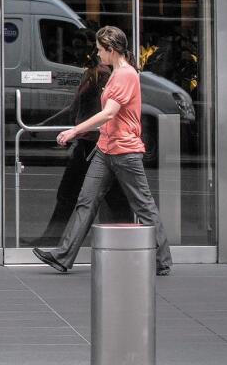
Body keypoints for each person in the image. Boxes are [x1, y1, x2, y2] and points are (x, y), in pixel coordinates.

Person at [33, 26, 173, 275]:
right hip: (105, 148)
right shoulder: (115, 73)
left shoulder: (125, 75)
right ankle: (63, 256)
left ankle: (162, 260)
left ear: (111, 50)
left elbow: (109, 113)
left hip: (125, 151)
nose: (97, 54)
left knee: (143, 205)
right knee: (85, 202)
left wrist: (74, 131)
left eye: (100, 50)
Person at [34, 59, 131, 246]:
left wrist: (75, 130)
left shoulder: (101, 79)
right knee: (76, 195)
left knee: (105, 197)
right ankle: (53, 241)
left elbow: (104, 113)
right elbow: (74, 109)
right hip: (88, 144)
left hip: (95, 145)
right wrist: (45, 125)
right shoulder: (90, 79)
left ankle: (128, 242)